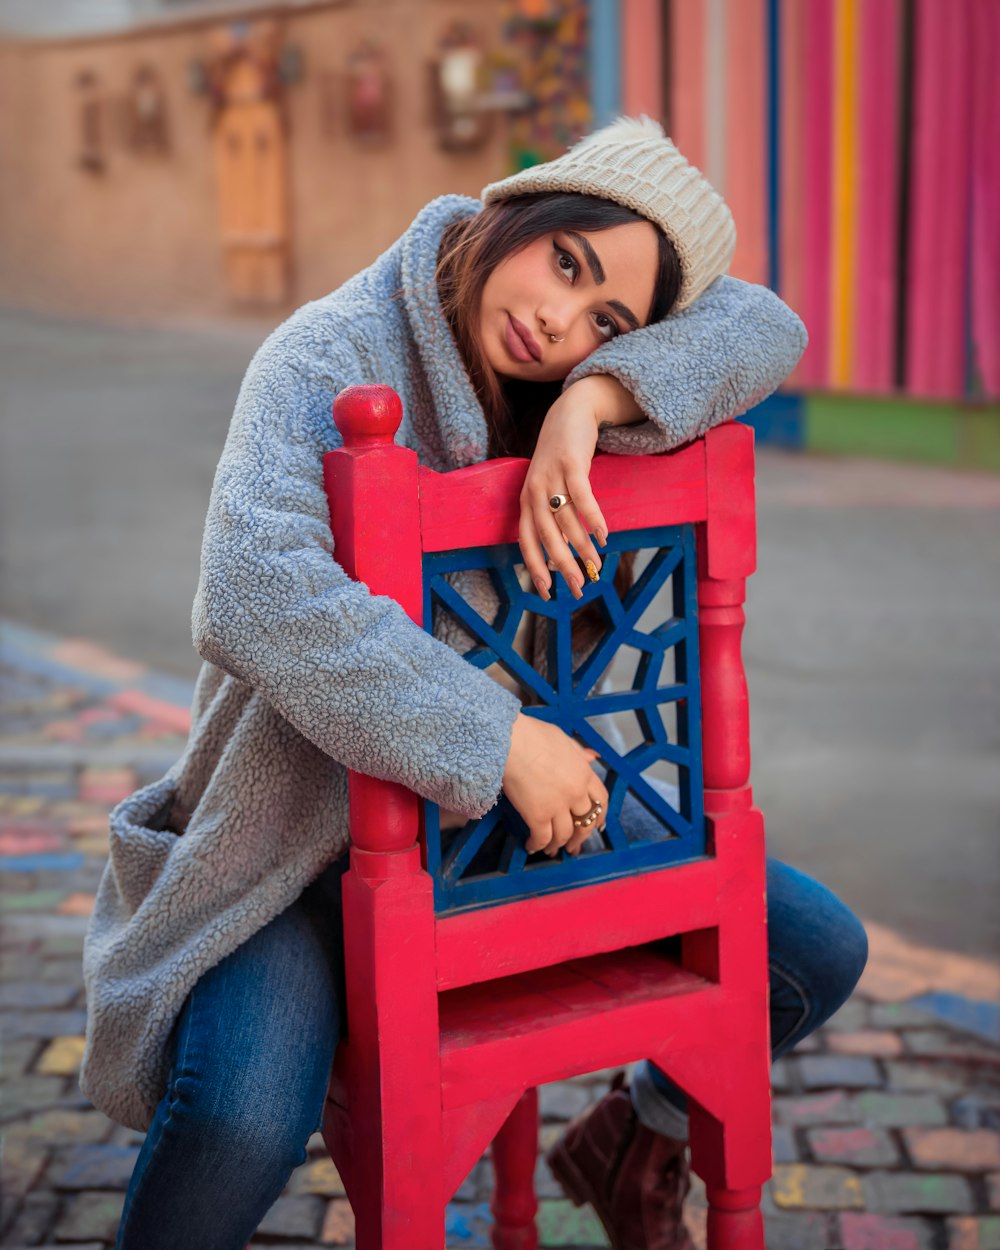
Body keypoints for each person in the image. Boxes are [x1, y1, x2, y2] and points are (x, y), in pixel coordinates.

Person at [80, 117, 868, 1250]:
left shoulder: (572, 388)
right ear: (518, 213)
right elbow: (253, 586)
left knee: (807, 949)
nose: (558, 319)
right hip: (299, 851)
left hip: (496, 841)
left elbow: (764, 322)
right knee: (245, 1114)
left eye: (608, 318)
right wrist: (493, 737)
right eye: (565, 262)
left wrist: (596, 398)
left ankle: (628, 1138)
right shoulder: (332, 349)